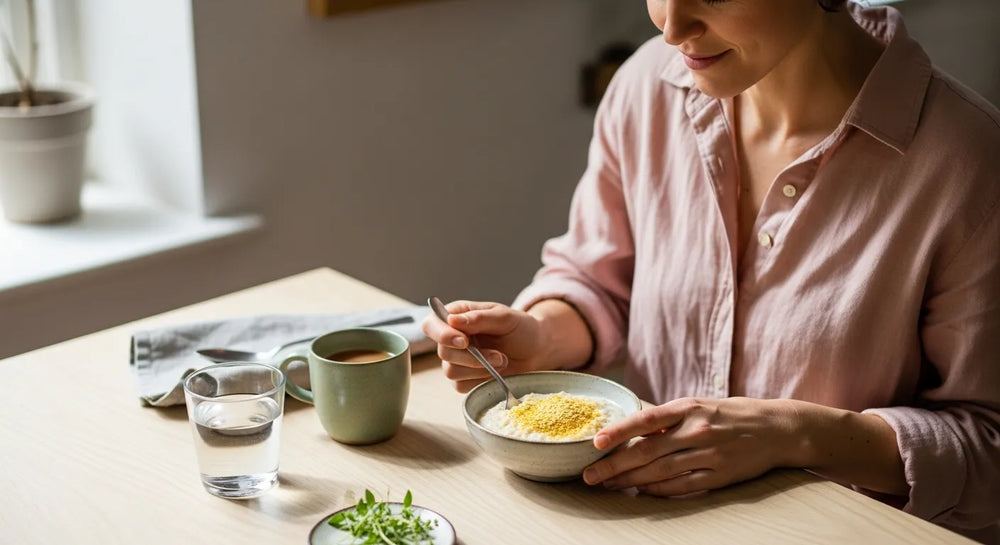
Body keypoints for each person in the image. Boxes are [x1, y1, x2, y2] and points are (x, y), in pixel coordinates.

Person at [422, 1, 1000, 542]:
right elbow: (598, 279)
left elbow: (988, 448)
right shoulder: (647, 87)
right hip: (643, 524)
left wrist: (797, 435)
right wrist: (543, 335)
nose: (671, 27)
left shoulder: (971, 164)